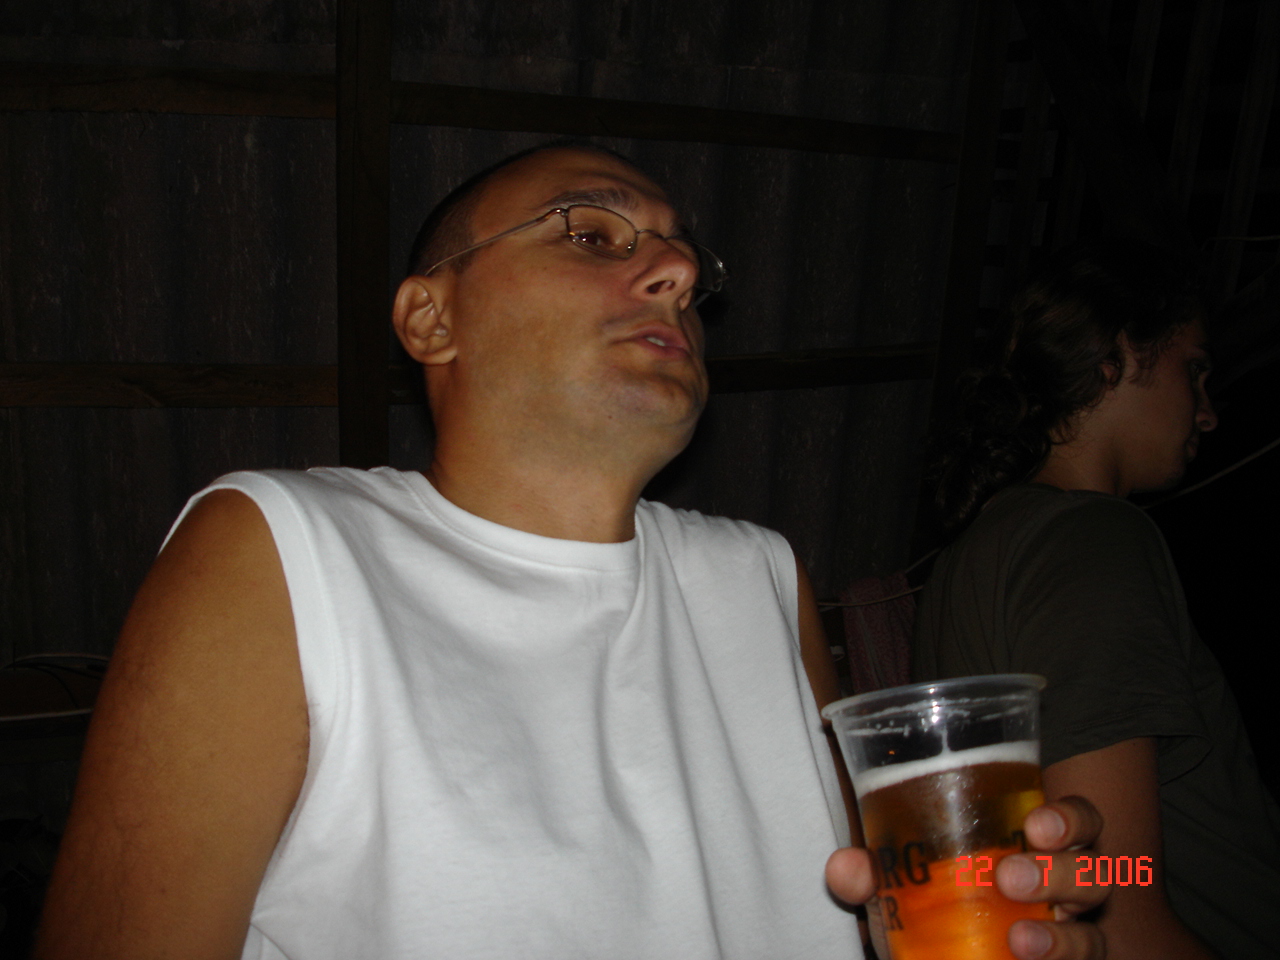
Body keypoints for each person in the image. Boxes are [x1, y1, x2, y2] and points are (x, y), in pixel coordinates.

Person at [37, 143, 1106, 960]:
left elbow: (878, 904)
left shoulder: (759, 579)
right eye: (593, 236)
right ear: (431, 320)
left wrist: (1062, 898)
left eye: (683, 259)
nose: (677, 270)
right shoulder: (285, 551)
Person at [913, 240, 1280, 960]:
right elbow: (1115, 908)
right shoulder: (1090, 538)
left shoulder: (978, 550)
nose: (1208, 413)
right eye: (1194, 370)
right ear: (1115, 357)